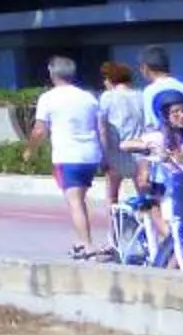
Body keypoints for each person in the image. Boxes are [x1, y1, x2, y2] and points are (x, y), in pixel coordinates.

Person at [27, 56, 109, 259]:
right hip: (90, 154)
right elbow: (100, 128)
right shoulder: (88, 97)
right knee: (79, 199)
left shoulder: (48, 98)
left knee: (75, 202)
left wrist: (30, 149)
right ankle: (81, 242)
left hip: (68, 155)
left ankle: (88, 245)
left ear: (52, 73)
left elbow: (39, 130)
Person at [94, 60, 143, 209]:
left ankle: (114, 230)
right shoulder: (141, 95)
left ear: (111, 79)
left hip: (116, 152)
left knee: (112, 196)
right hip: (139, 152)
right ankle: (148, 228)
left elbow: (102, 128)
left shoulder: (107, 97)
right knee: (144, 196)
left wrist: (103, 155)